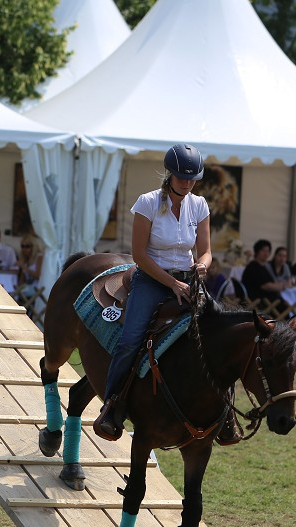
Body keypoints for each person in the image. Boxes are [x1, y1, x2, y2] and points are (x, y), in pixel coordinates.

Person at [93, 143, 212, 441]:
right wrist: (172, 284)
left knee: (215, 335)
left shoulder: (199, 205)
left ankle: (220, 413)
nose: (187, 183)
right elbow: (139, 255)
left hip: (188, 279)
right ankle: (112, 406)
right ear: (169, 175)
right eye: (181, 177)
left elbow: (207, 250)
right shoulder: (147, 203)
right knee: (130, 340)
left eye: (191, 178)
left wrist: (202, 265)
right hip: (151, 278)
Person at [15, 232, 43, 300]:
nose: (24, 249)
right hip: (27, 288)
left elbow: (37, 275)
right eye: (22, 246)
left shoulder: (39, 257)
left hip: (37, 287)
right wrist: (21, 269)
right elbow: (22, 281)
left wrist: (25, 268)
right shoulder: (25, 259)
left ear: (33, 246)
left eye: (27, 246)